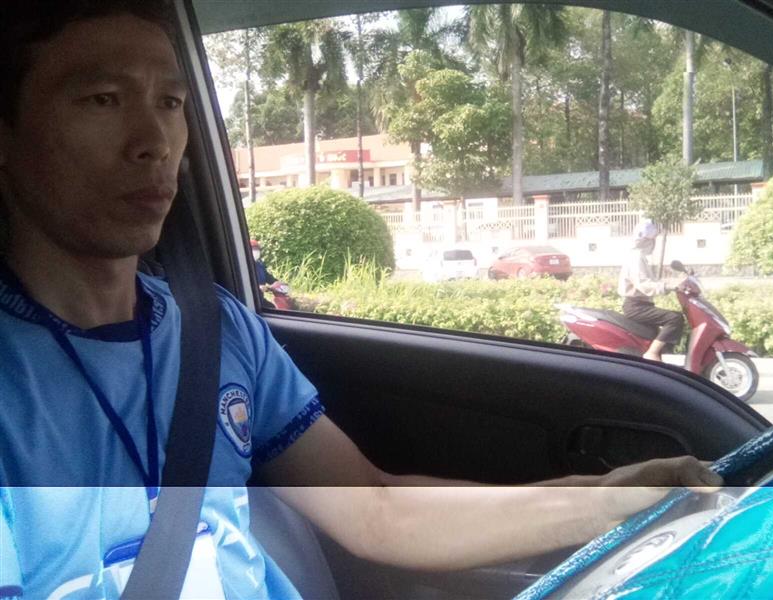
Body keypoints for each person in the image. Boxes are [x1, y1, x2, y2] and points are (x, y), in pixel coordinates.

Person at [0, 2, 722, 597]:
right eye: (102, 99)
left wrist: (606, 499)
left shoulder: (215, 329)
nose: (155, 141)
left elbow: (375, 509)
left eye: (171, 102)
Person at [618, 220, 685, 361]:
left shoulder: (640, 257)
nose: (654, 243)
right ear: (647, 240)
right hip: (636, 307)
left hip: (641, 305)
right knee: (675, 318)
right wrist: (668, 287)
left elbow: (652, 281)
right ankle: (652, 353)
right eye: (653, 240)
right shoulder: (636, 258)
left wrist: (674, 281)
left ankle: (663, 355)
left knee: (666, 324)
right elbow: (644, 284)